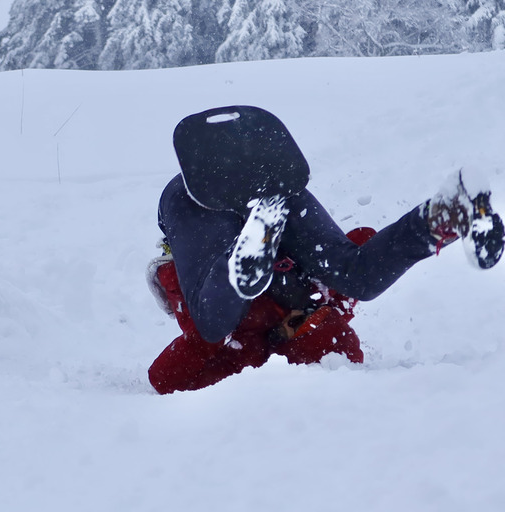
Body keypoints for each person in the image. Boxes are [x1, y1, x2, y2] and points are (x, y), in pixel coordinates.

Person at [146, 107, 503, 395]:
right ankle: (444, 215)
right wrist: (316, 311)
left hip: (196, 201)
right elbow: (363, 241)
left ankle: (243, 254)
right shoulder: (323, 297)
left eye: (299, 329)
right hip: (266, 183)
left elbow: (164, 378)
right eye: (307, 325)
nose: (298, 323)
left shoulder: (239, 355)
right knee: (357, 277)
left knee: (211, 322)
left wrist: (241, 347)